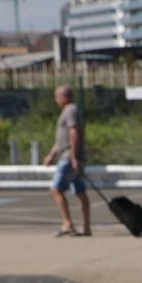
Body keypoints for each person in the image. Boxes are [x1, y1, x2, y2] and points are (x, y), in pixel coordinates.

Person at [42, 85, 92, 237]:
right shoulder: (69, 111)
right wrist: (52, 155)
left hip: (69, 157)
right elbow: (62, 138)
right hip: (69, 155)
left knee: (56, 189)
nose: (56, 100)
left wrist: (74, 157)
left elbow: (73, 133)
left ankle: (67, 223)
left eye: (57, 97)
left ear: (65, 97)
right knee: (80, 192)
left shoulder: (70, 110)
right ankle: (86, 226)